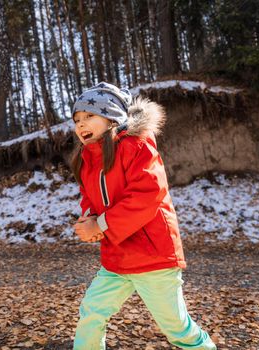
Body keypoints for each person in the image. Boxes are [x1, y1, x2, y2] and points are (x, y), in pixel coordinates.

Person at [70, 82, 216, 350]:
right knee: (91, 310)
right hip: (117, 257)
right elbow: (90, 197)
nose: (81, 124)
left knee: (176, 327)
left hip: (153, 256)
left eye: (89, 116)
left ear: (112, 116)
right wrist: (89, 220)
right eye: (77, 119)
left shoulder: (136, 145)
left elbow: (148, 194)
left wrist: (101, 224)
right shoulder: (88, 158)